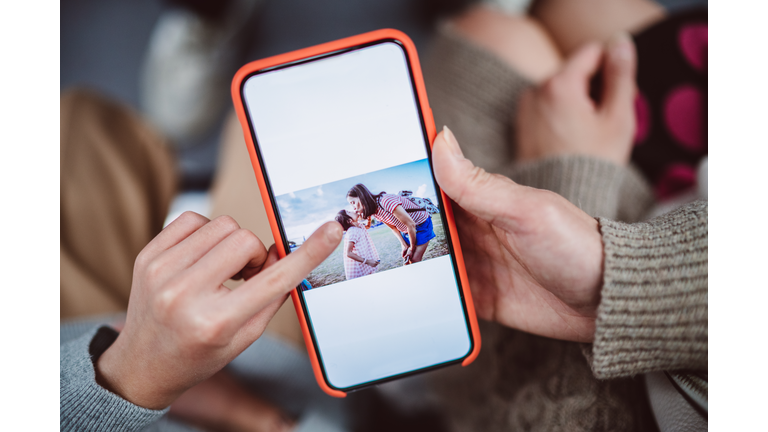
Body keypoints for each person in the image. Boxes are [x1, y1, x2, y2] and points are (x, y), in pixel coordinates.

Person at [346, 184, 435, 265]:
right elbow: (393, 228)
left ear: (361, 196)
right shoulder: (375, 212)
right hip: (406, 230)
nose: (353, 208)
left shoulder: (385, 201)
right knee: (409, 260)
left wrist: (411, 249)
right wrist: (404, 245)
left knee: (415, 260)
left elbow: (411, 224)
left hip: (420, 224)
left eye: (353, 202)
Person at [335, 209, 380, 280]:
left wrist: (369, 218)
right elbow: (349, 253)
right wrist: (368, 261)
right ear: (349, 221)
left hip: (363, 263)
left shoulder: (359, 225)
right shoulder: (352, 231)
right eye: (349, 212)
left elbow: (367, 227)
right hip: (358, 268)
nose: (353, 211)